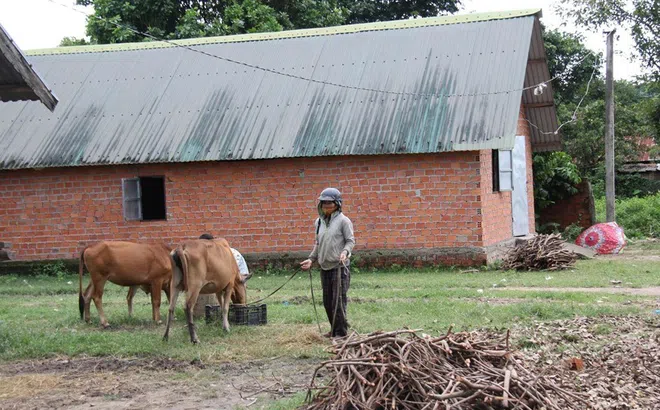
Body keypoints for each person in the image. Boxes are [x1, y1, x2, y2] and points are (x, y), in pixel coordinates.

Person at [300, 188, 355, 338]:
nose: (326, 206)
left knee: (338, 302)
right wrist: (311, 259)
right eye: (323, 203)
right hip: (324, 267)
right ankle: (333, 330)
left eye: (329, 203)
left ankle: (341, 333)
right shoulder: (319, 222)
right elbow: (318, 243)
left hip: (339, 267)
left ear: (337, 204)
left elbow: (350, 241)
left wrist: (345, 252)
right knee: (327, 302)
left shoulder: (344, 221)